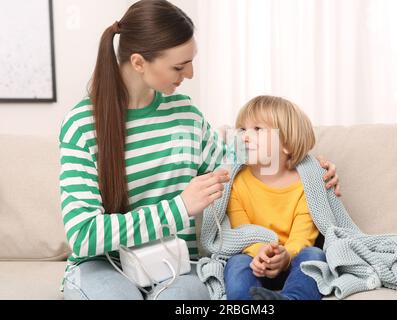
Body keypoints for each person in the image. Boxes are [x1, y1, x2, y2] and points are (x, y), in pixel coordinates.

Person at [59, 0, 340, 300]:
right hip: (103, 265)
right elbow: (84, 233)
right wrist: (180, 208)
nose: (190, 74)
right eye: (179, 66)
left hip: (175, 264)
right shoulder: (82, 126)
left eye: (191, 61)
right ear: (139, 62)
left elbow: (243, 157)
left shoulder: (186, 116)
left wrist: (311, 169)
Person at [224, 96, 327, 300]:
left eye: (257, 129)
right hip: (256, 261)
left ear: (287, 145)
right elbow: (241, 232)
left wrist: (285, 256)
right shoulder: (235, 183)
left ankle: (290, 298)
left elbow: (302, 238)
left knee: (315, 256)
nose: (244, 137)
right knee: (236, 263)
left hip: (293, 260)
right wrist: (260, 253)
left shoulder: (307, 184)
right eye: (242, 129)